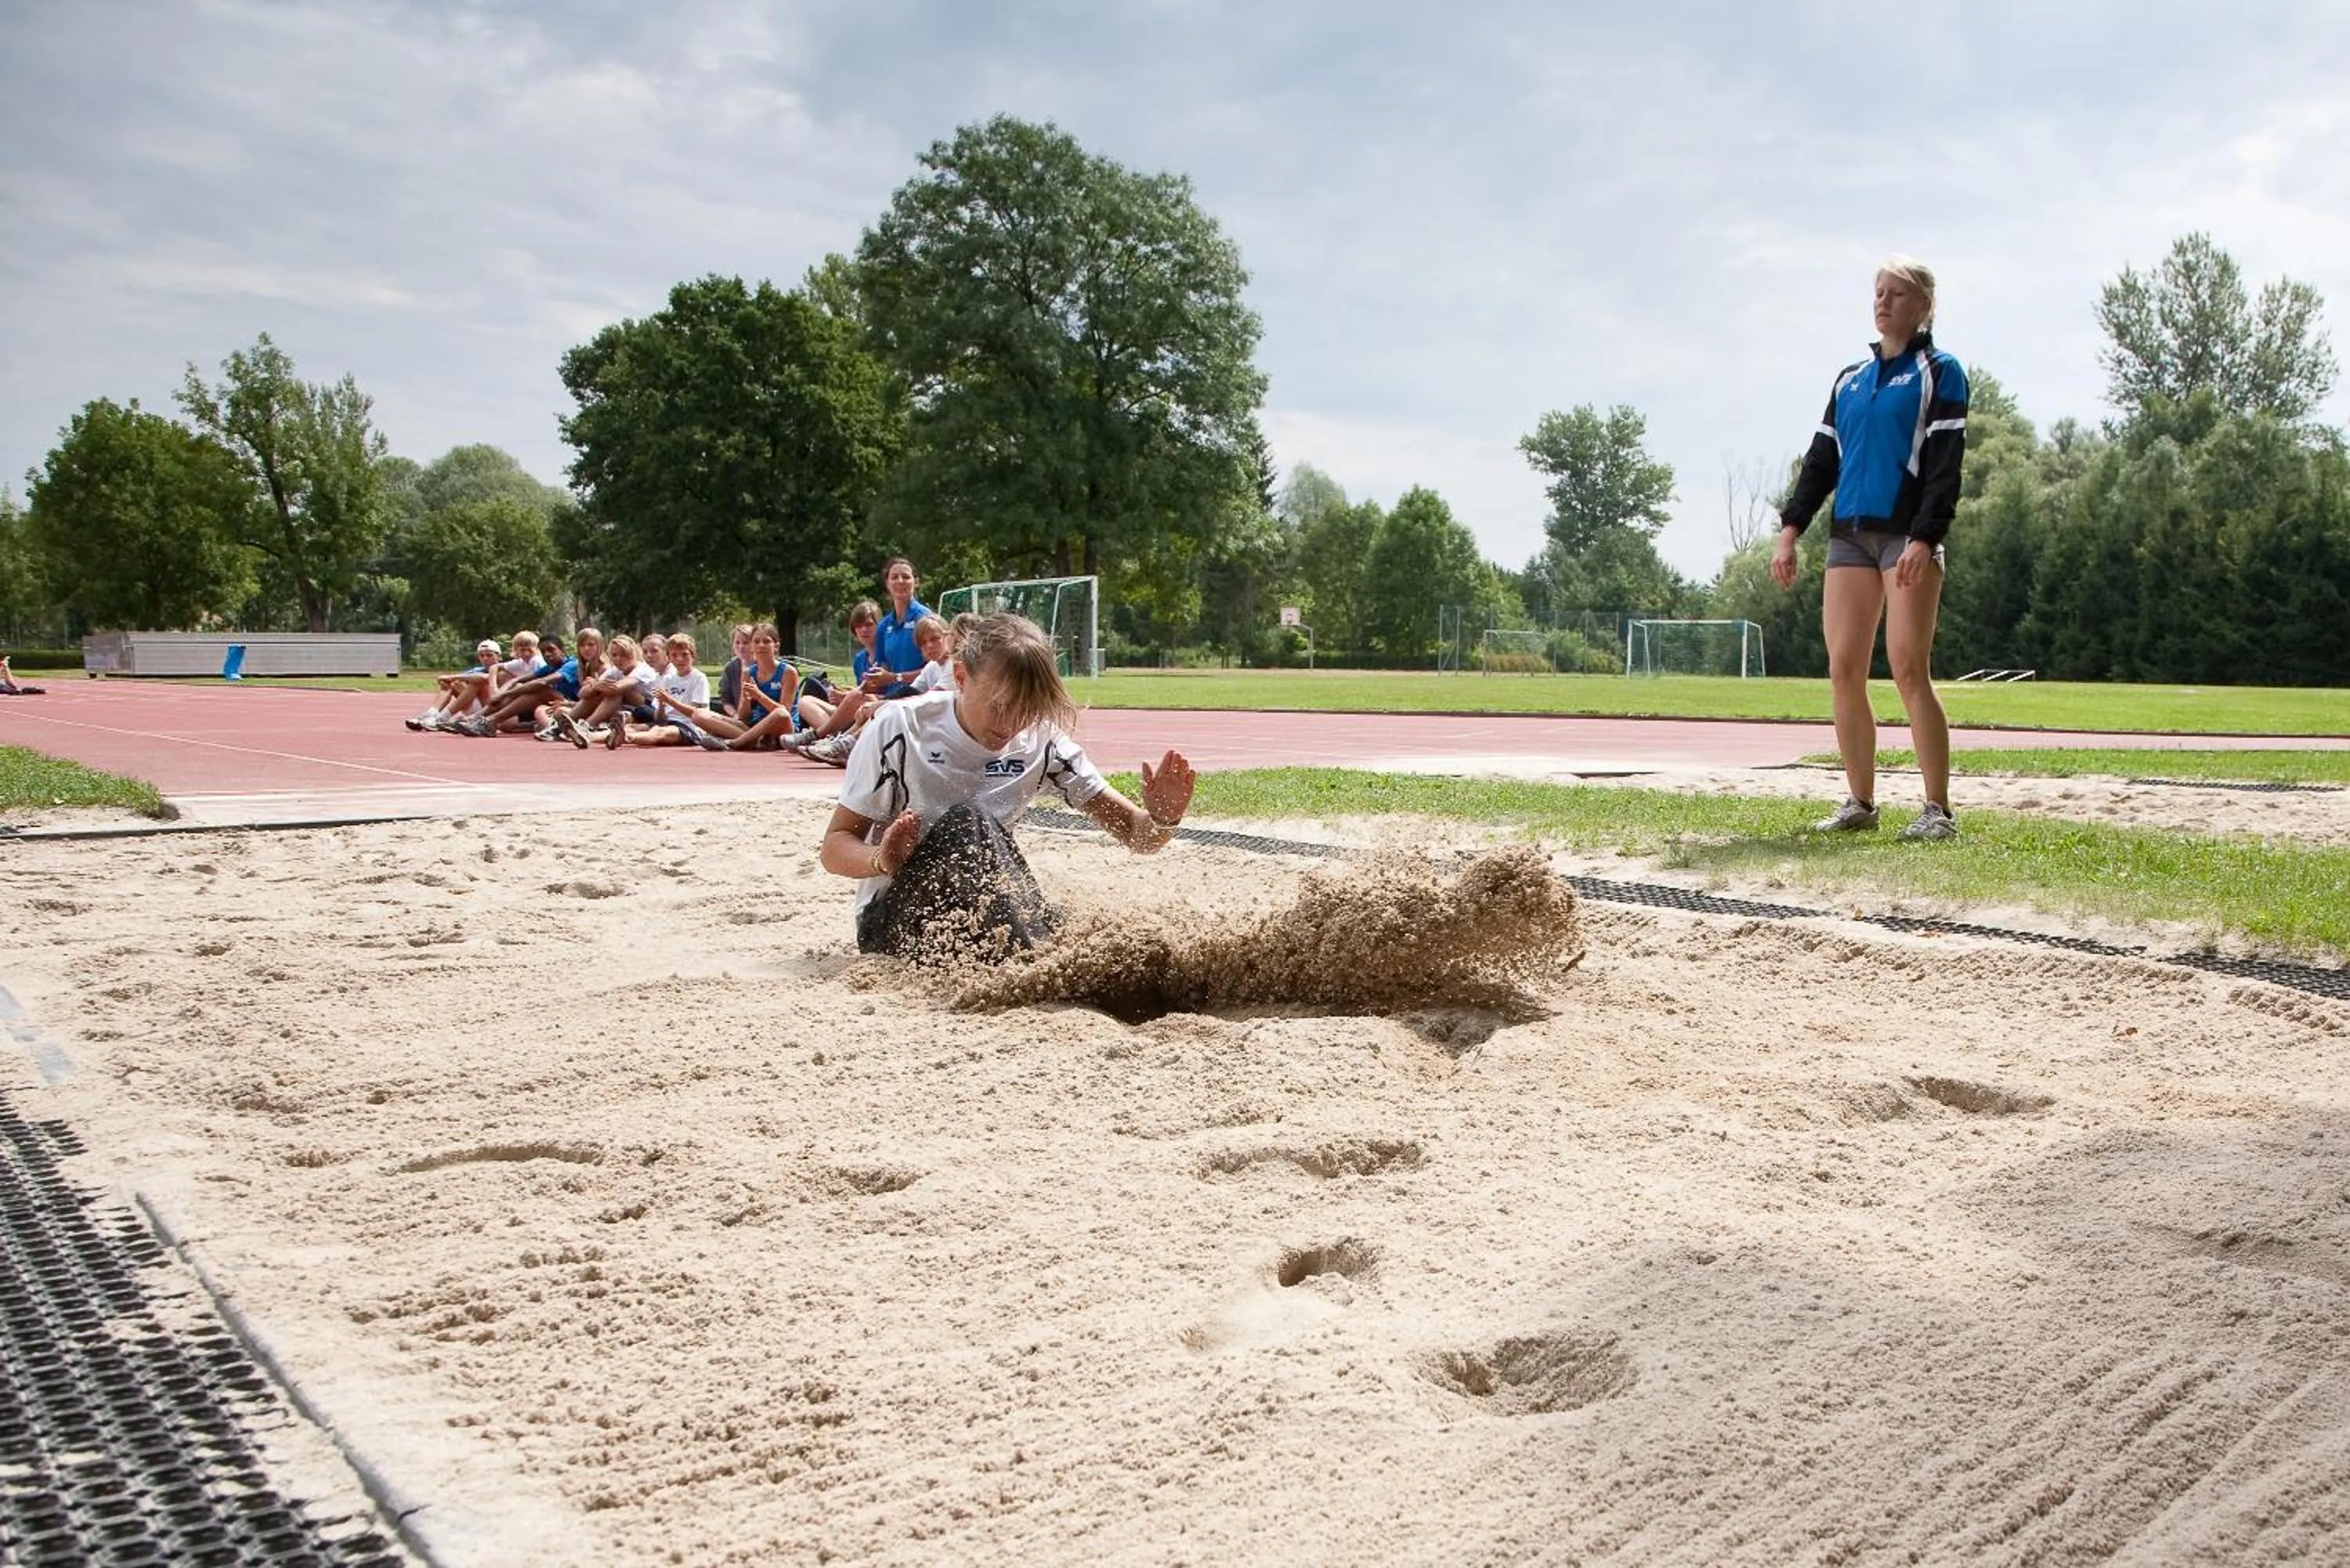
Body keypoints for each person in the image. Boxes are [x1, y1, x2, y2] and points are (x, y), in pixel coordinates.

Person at [820, 611, 1195, 959]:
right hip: (897, 921)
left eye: (1027, 708)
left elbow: (1137, 835)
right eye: (1000, 705)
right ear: (962, 677)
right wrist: (882, 860)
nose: (1013, 723)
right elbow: (834, 846)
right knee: (969, 821)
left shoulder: (1041, 741)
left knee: (1077, 923)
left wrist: (1164, 818)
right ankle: (1035, 962)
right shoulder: (900, 728)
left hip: (992, 911)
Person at [1773, 254, 1968, 843]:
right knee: (1843, 669)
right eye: (1879, 292)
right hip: (1848, 537)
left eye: (1898, 294)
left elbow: (1945, 466)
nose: (1884, 302)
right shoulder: (1849, 380)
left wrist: (1925, 537)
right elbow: (1820, 462)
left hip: (1906, 536)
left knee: (1909, 668)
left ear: (1924, 307)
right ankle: (1860, 801)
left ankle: (1937, 810)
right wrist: (1791, 530)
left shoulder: (1940, 370)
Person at [620, 632, 715, 748]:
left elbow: (698, 714)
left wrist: (669, 700)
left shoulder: (699, 678)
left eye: (684, 655)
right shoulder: (667, 679)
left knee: (659, 732)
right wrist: (661, 705)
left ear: (693, 655)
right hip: (667, 722)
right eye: (674, 655)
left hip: (689, 726)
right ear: (669, 657)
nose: (680, 659)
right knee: (631, 727)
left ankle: (625, 738)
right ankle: (593, 735)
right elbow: (659, 718)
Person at [868, 558, 931, 699]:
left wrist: (895, 678)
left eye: (906, 577)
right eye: (895, 577)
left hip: (917, 697)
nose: (900, 581)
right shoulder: (884, 626)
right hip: (890, 698)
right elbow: (882, 672)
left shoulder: (925, 619)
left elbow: (937, 669)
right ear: (887, 584)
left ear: (916, 582)